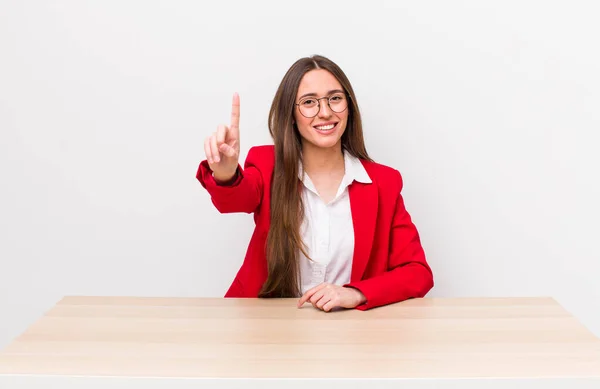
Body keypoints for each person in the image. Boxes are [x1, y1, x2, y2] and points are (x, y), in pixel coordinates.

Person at [197, 55, 433, 312]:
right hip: (264, 328)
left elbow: (417, 273)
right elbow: (235, 200)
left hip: (351, 334)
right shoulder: (266, 165)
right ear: (291, 115)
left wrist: (355, 294)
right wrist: (225, 173)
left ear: (349, 107)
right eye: (309, 102)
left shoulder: (383, 183)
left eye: (335, 99)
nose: (325, 112)